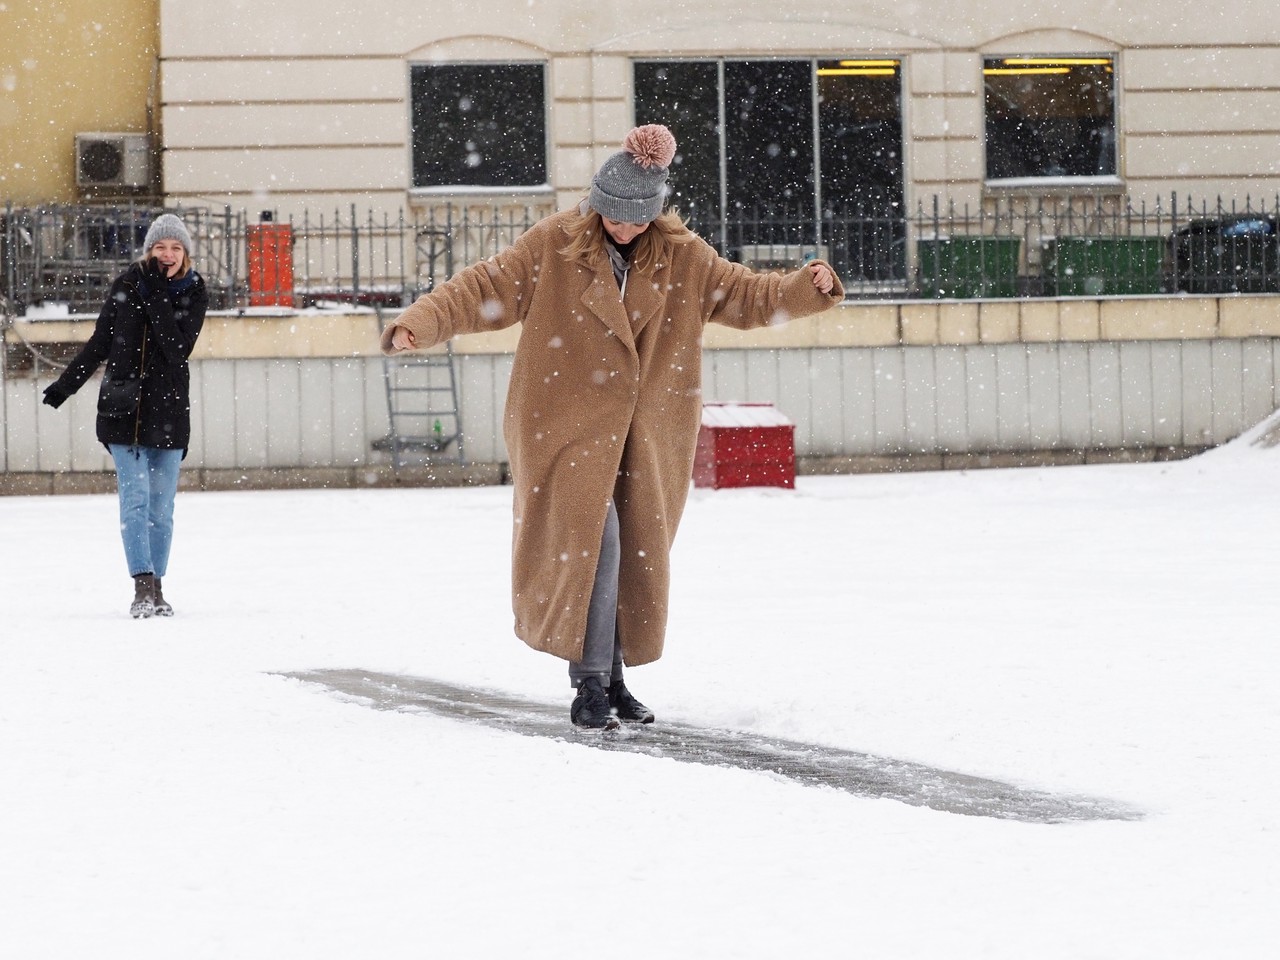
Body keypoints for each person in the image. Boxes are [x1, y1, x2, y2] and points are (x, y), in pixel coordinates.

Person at [382, 125, 842, 728]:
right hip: (563, 422)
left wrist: (805, 289)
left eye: (635, 220)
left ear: (655, 213)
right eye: (611, 216)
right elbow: (484, 287)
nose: (621, 229)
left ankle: (615, 678)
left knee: (634, 552)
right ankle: (590, 685)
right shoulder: (554, 245)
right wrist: (422, 322)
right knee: (595, 544)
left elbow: (747, 295)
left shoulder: (684, 258)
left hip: (647, 432)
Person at [43, 213, 208, 619]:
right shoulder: (127, 285)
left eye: (175, 248)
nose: (167, 255)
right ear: (148, 250)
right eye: (159, 247)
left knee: (161, 508)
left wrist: (157, 295)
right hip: (123, 410)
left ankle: (160, 586)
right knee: (134, 501)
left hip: (168, 410)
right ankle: (142, 586)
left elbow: (176, 348)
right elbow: (100, 342)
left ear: (184, 253)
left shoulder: (195, 290)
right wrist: (65, 386)